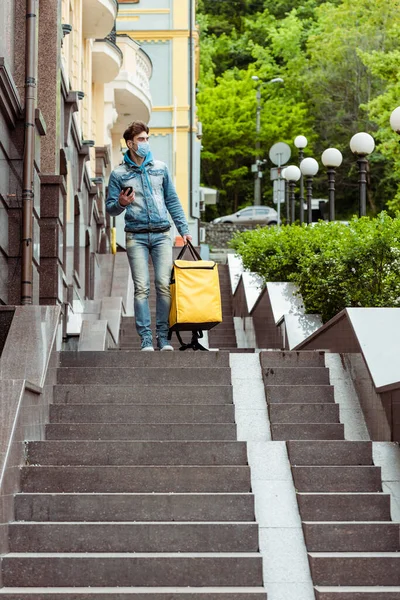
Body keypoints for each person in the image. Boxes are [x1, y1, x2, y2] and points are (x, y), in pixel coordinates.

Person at [106, 120, 192, 351]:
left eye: (147, 138)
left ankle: (163, 337)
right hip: (136, 236)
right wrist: (121, 203)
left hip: (163, 234)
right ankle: (146, 338)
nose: (145, 143)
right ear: (130, 143)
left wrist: (183, 229)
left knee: (164, 285)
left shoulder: (160, 168)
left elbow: (172, 200)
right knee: (141, 287)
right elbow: (110, 208)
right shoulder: (118, 174)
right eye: (141, 139)